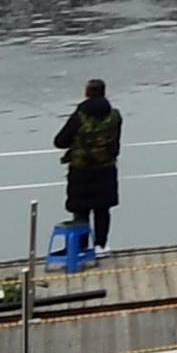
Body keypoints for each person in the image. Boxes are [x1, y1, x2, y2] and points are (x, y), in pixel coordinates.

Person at [53, 78, 122, 251]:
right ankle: (101, 246)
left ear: (86, 93)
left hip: (81, 170)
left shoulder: (79, 117)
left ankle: (80, 247)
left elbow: (60, 141)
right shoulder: (115, 116)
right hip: (106, 169)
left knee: (81, 209)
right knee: (103, 209)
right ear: (104, 92)